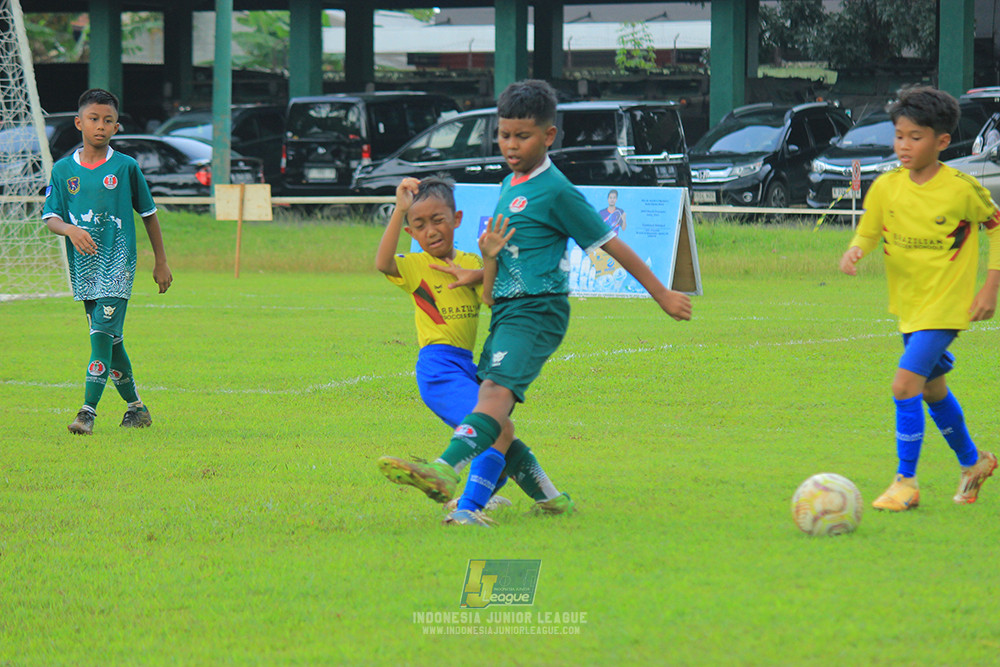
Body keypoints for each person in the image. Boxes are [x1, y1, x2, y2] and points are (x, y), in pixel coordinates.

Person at [425, 79, 691, 526]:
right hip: (508, 310)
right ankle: (552, 501)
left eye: (522, 136)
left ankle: (444, 471)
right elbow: (513, 253)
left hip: (537, 309)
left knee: (491, 396)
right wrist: (478, 271)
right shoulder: (509, 183)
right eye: (504, 135)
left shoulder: (557, 190)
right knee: (498, 418)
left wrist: (661, 292)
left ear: (548, 135)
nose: (511, 145)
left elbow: (611, 244)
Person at [839, 86, 1000, 511]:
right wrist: (856, 249)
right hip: (908, 307)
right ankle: (974, 462)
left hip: (946, 306)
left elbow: (996, 226)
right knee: (931, 389)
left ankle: (905, 483)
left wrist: (990, 286)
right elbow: (869, 229)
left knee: (904, 384)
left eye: (915, 137)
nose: (904, 145)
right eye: (899, 136)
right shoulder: (886, 186)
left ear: (942, 141)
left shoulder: (962, 188)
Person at [374, 175, 567, 516]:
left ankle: (552, 501)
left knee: (499, 432)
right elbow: (382, 263)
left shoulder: (471, 262)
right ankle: (467, 509)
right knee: (499, 429)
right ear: (410, 233)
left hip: (466, 366)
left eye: (438, 220)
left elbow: (490, 297)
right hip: (438, 369)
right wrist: (399, 209)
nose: (430, 231)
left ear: (457, 219)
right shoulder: (415, 265)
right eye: (419, 225)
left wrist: (486, 261)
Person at [42, 88, 172, 435]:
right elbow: (51, 217)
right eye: (93, 119)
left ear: (116, 127)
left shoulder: (126, 167)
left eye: (108, 120)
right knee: (111, 343)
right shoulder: (63, 170)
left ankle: (87, 413)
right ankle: (137, 408)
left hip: (118, 265)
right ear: (79, 123)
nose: (100, 126)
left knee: (100, 336)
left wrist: (160, 262)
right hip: (84, 268)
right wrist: (70, 229)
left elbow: (149, 214)